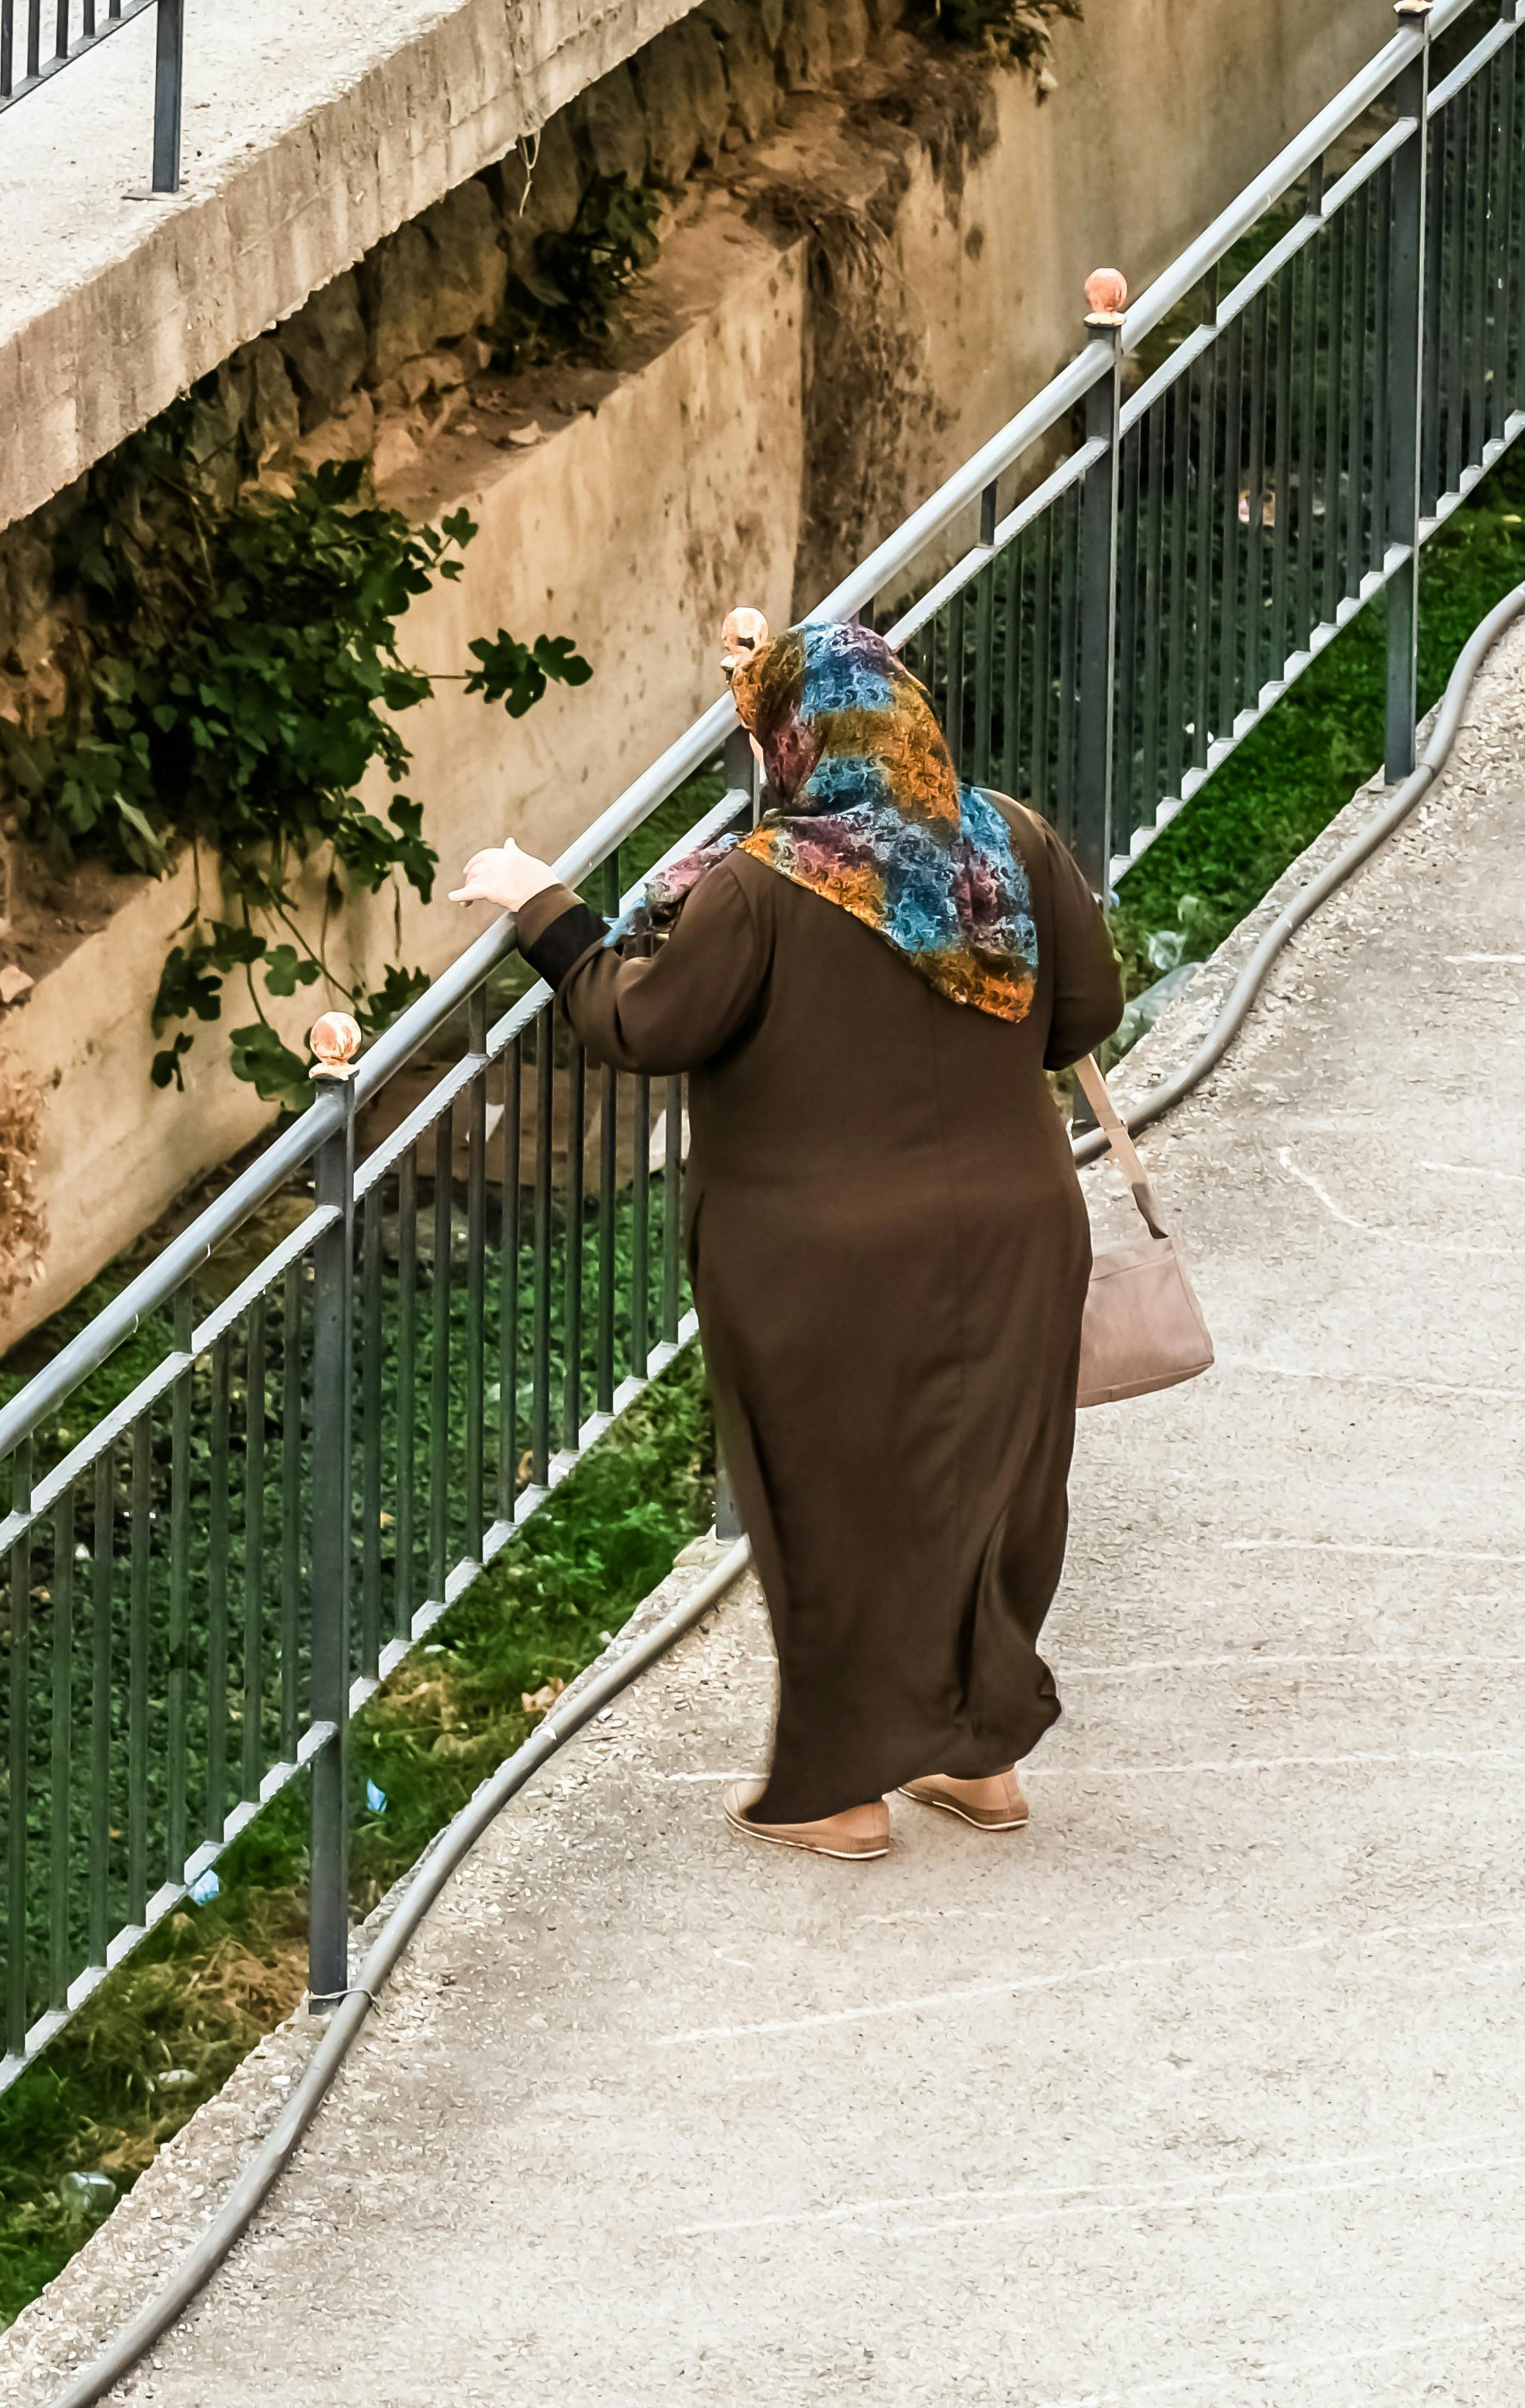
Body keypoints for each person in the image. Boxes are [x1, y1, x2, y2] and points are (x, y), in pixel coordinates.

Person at [448, 610, 1119, 1861]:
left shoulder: (763, 885)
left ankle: (834, 1792)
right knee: (988, 1487)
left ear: (798, 744)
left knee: (831, 1508)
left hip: (816, 1265)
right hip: (1016, 1231)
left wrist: (545, 908)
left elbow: (643, 1023)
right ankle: (980, 1760)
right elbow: (1085, 1010)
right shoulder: (1008, 839)